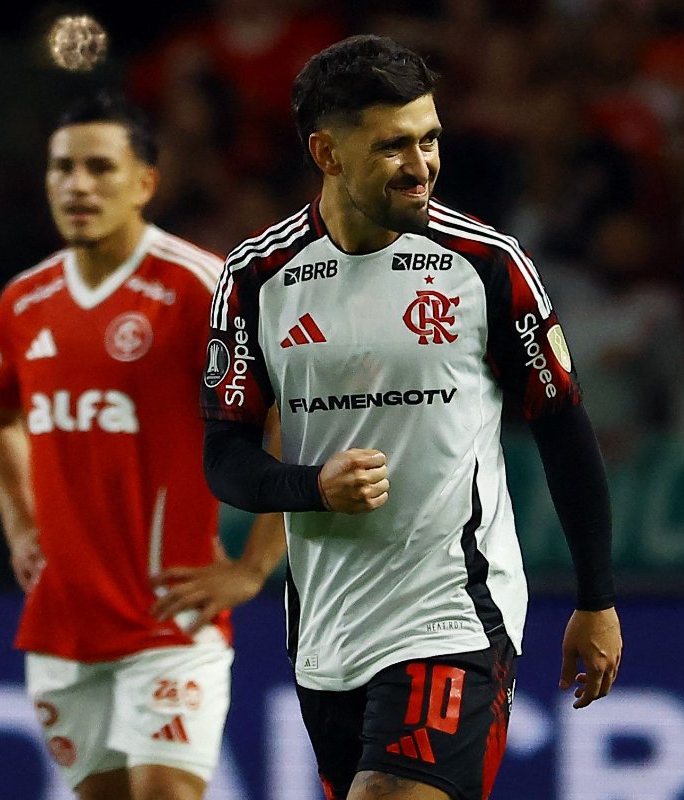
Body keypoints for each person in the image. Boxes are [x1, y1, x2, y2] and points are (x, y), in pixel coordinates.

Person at [200, 35, 622, 800]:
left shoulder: (486, 264)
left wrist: (596, 597)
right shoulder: (257, 277)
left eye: (429, 138)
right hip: (327, 630)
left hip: (456, 612)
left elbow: (562, 423)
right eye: (394, 145)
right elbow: (224, 454)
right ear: (327, 153)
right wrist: (311, 487)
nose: (422, 163)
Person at [0, 90, 285, 800]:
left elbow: (289, 417)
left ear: (146, 182)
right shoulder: (23, 303)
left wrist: (255, 565)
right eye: (63, 168)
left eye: (100, 168)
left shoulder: (199, 288)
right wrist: (19, 522)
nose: (78, 185)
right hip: (62, 623)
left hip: (171, 617)